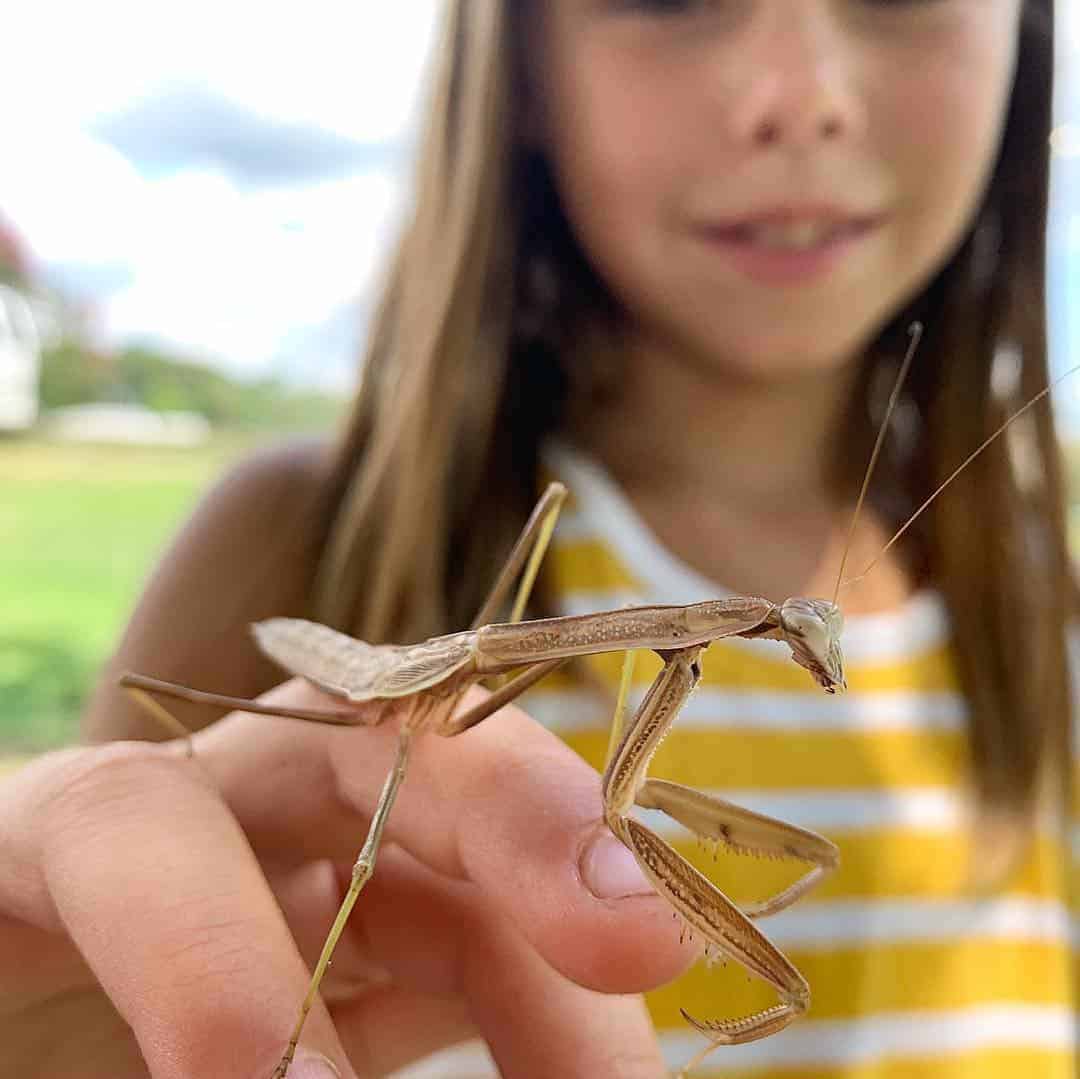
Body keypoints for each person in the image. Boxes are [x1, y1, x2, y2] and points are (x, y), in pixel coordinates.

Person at [2, 1, 1075, 1076]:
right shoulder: (296, 532)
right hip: (379, 667)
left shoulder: (1050, 595)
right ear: (516, 71)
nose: (799, 99)